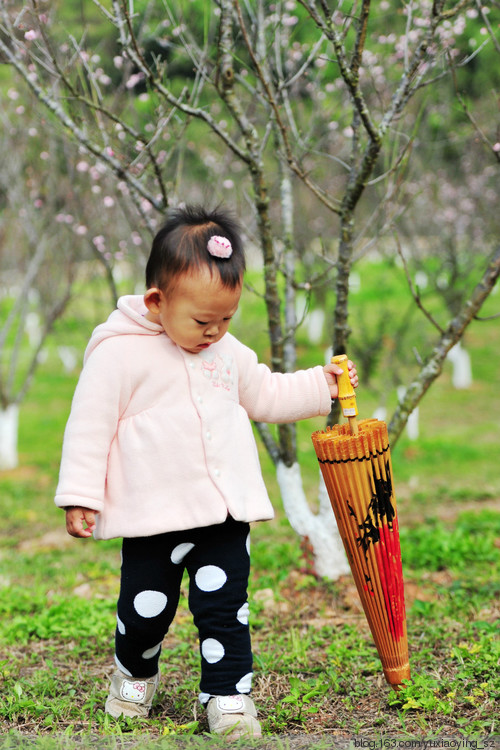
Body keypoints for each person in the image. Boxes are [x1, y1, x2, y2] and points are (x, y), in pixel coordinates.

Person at [55, 204, 358, 739]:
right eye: (202, 321)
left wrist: (322, 386)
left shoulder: (226, 353)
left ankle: (228, 696)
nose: (215, 331)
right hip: (153, 515)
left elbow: (266, 391)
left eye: (226, 319)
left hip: (222, 514)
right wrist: (82, 494)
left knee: (225, 611)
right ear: (157, 301)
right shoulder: (119, 355)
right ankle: (134, 673)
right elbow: (88, 426)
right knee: (146, 609)